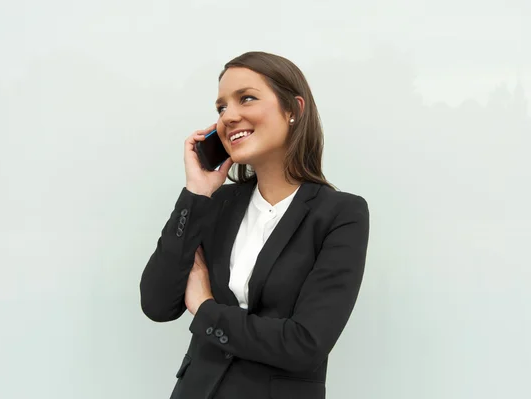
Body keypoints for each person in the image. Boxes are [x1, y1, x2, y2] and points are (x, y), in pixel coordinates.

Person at [139, 51, 370, 399]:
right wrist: (196, 194)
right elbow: (157, 304)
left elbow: (304, 344)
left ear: (293, 110)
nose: (229, 116)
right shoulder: (215, 205)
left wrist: (205, 308)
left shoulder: (340, 214)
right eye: (221, 108)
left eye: (246, 98)